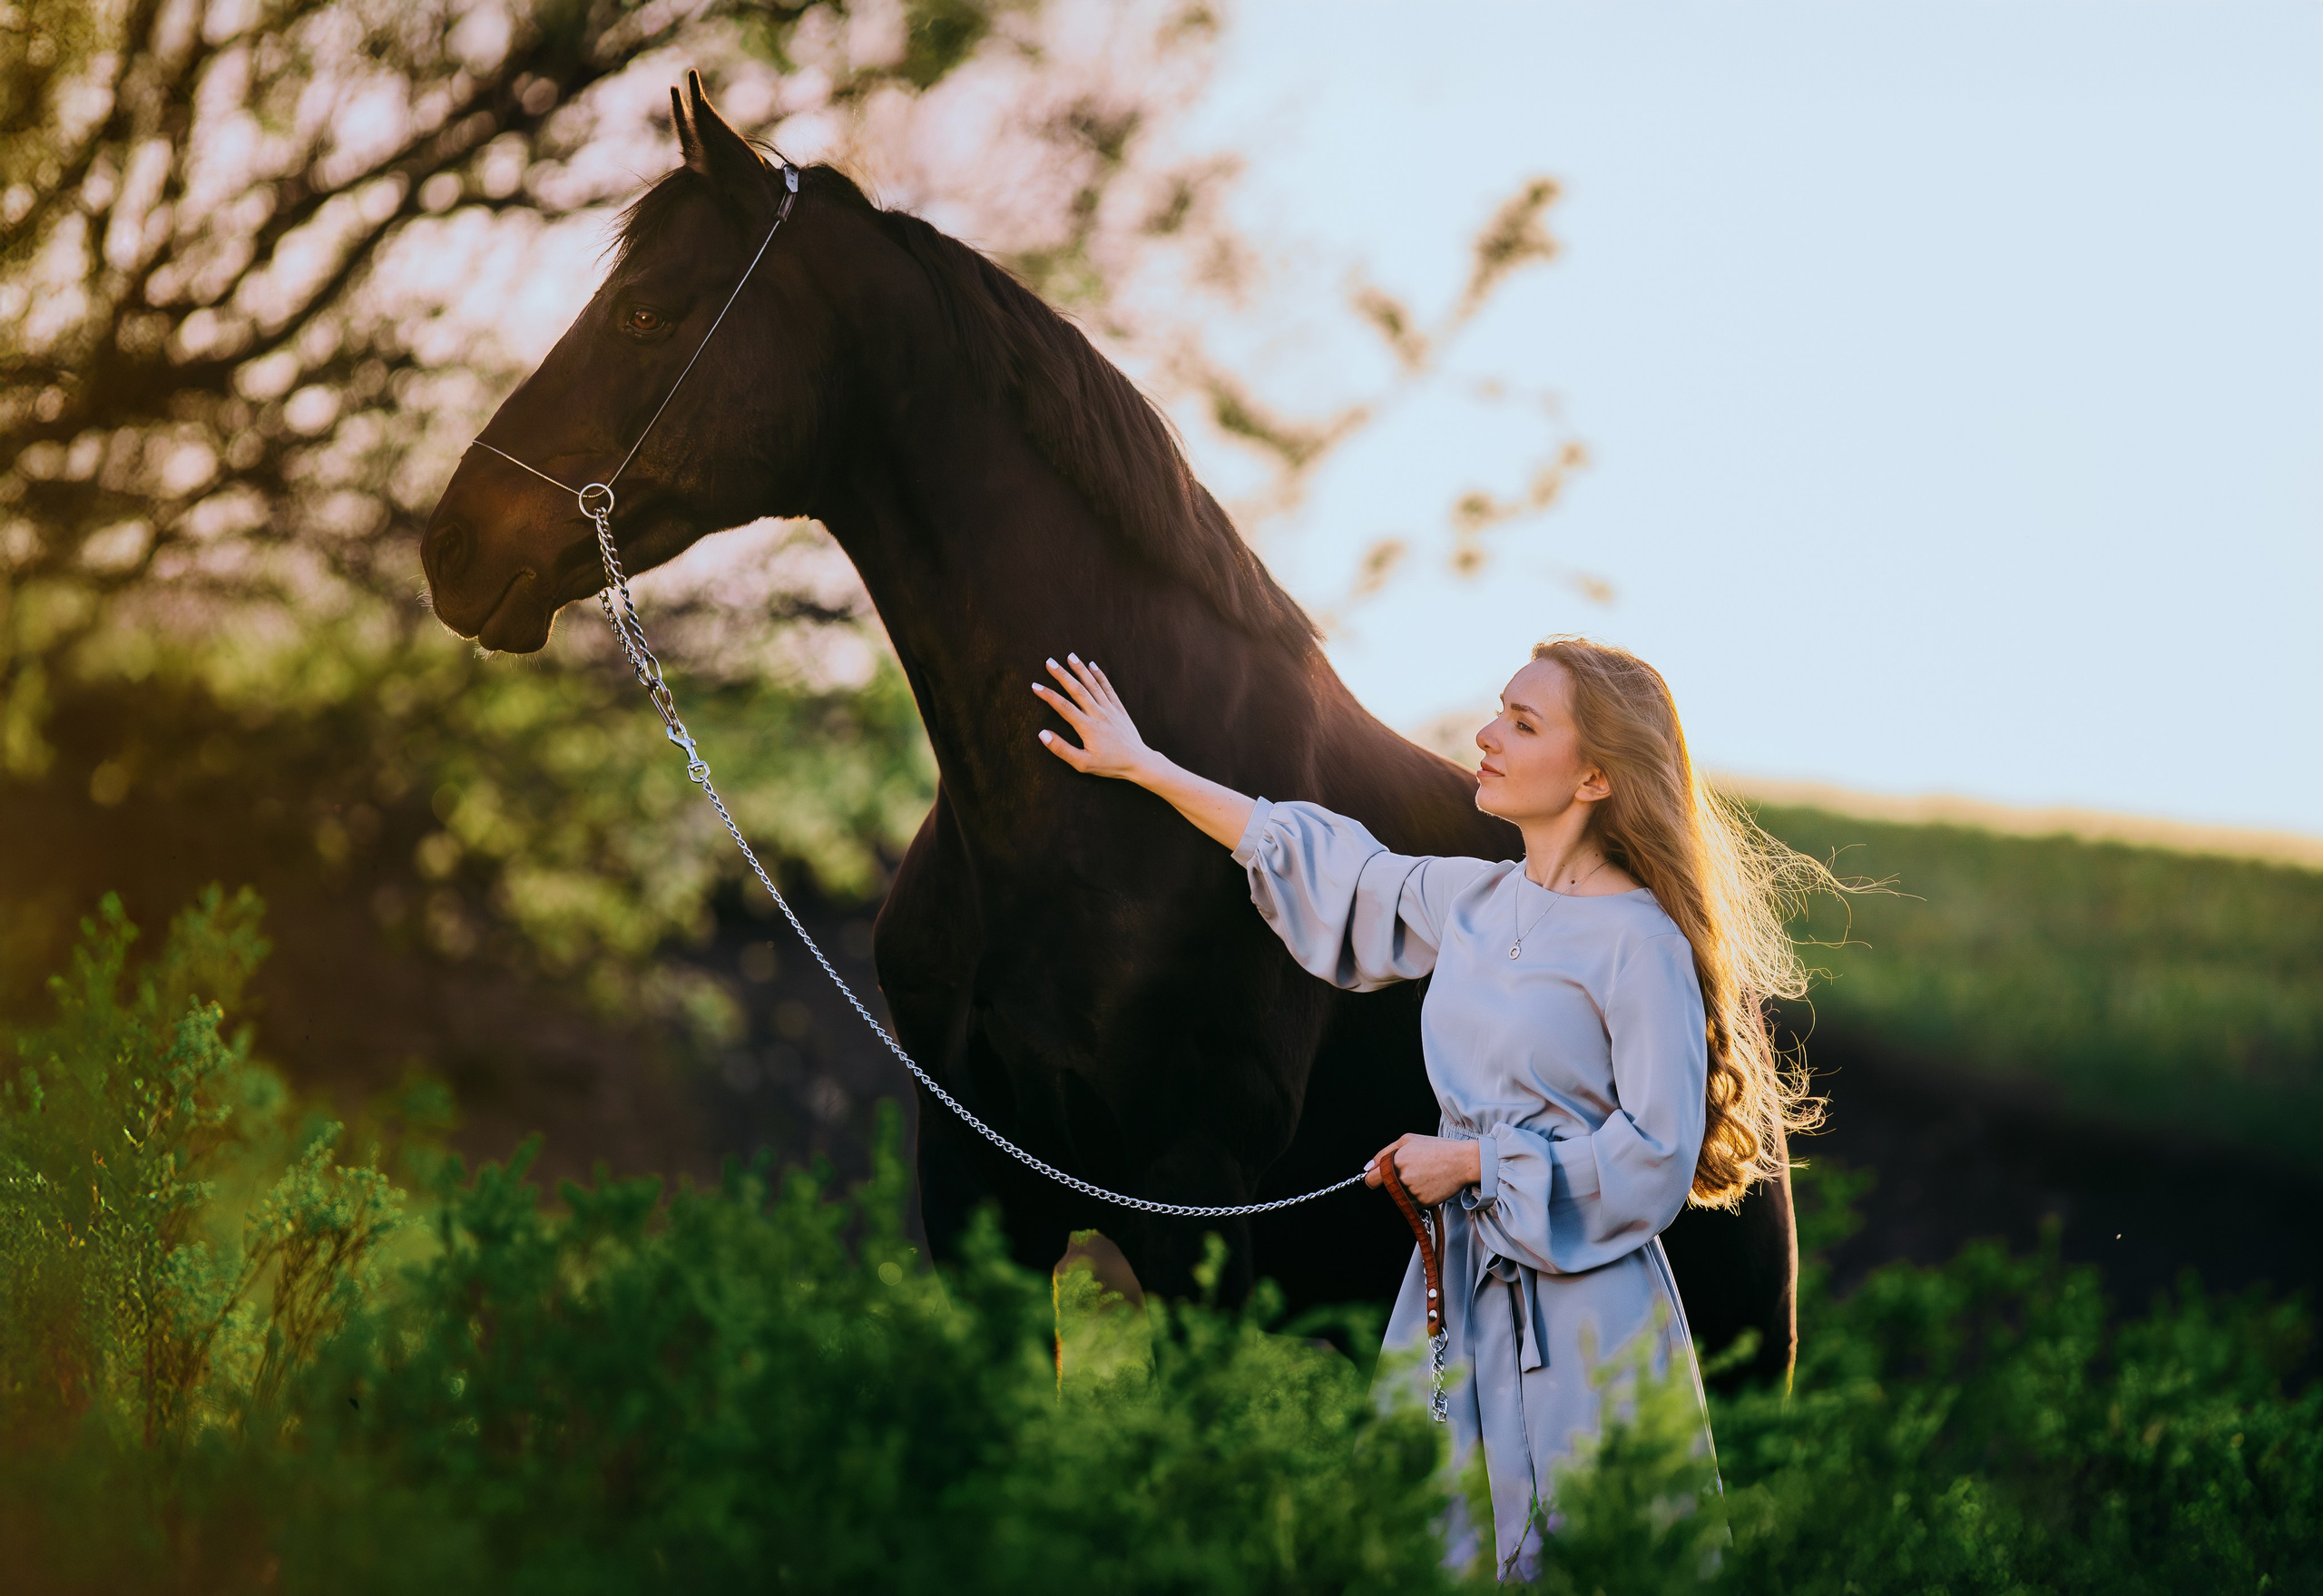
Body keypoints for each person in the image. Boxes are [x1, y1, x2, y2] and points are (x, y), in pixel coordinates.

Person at [1030, 635, 1823, 1578]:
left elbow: (1655, 1153)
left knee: (1581, 1561)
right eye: (1498, 710)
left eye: (1523, 724)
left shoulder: (1639, 941)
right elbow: (1330, 865)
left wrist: (1476, 1164)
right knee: (1423, 1554)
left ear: (1596, 776)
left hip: (1585, 1319)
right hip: (1453, 1300)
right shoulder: (1478, 900)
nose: (1485, 736)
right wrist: (1144, 764)